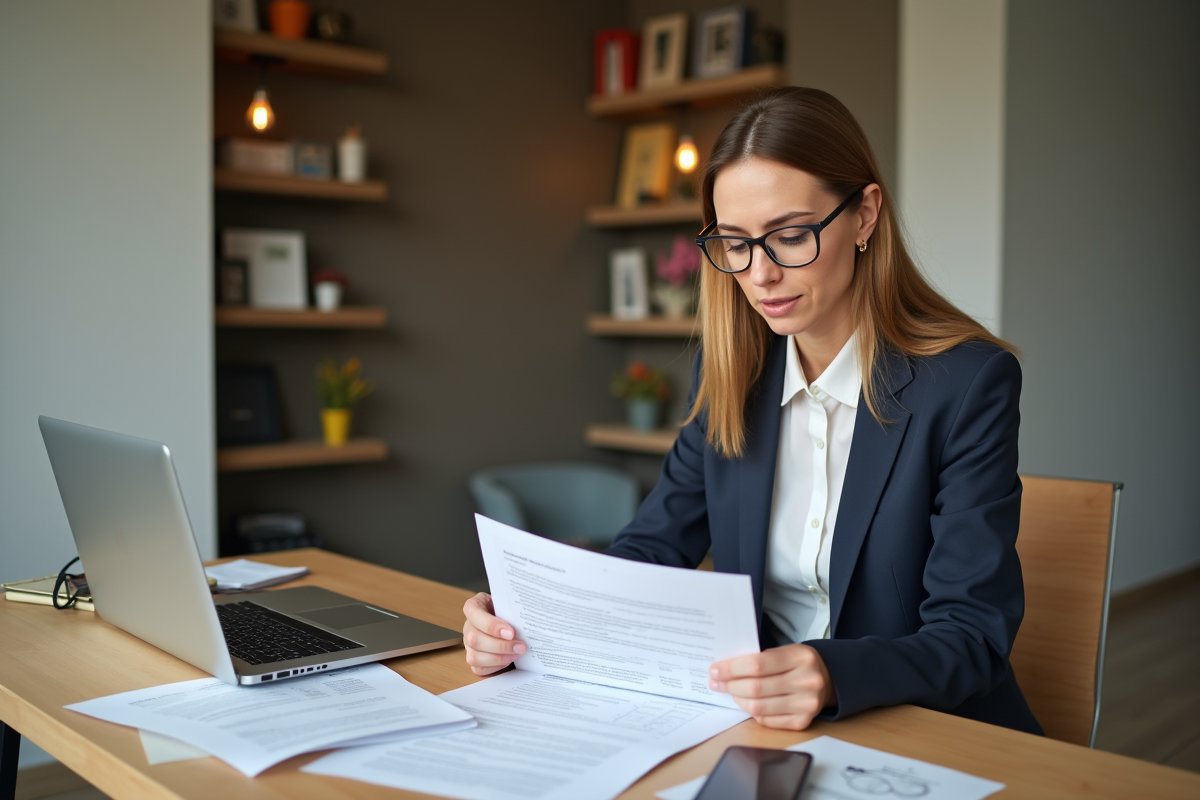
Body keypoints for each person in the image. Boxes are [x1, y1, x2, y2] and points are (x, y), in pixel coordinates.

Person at [463, 87, 1042, 736]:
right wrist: (528, 621)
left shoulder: (967, 384)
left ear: (865, 216)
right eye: (735, 242)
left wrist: (832, 673)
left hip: (921, 731)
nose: (759, 273)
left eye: (790, 235)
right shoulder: (731, 372)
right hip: (762, 726)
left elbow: (973, 637)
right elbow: (654, 548)